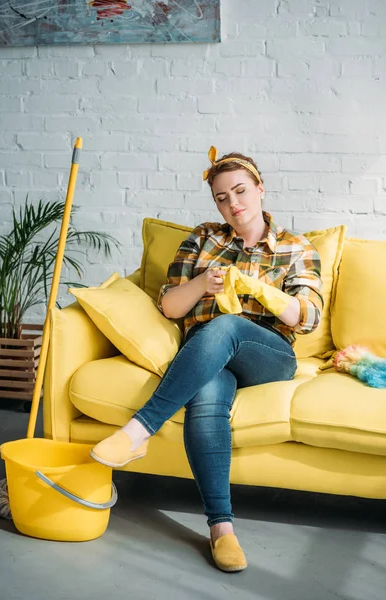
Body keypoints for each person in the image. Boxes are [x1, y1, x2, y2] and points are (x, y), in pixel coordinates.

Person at [90, 146, 324, 572]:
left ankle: (139, 429)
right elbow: (170, 308)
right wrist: (201, 283)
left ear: (260, 189)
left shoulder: (295, 247)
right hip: (207, 357)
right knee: (207, 397)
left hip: (267, 355)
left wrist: (260, 291)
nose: (233, 204)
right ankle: (222, 529)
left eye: (240, 192)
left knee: (227, 325)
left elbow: (307, 318)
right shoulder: (203, 239)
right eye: (222, 197)